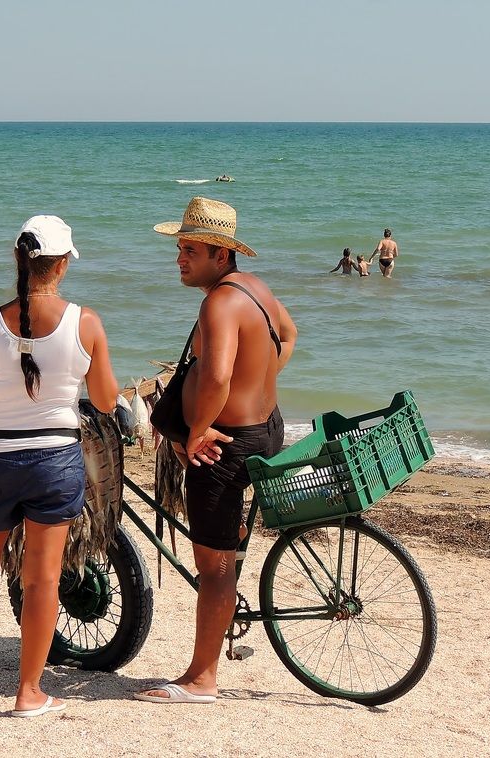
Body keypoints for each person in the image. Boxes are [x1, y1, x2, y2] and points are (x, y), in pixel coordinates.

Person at [0, 215, 118, 717]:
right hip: (54, 462)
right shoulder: (86, 323)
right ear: (62, 265)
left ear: (19, 260)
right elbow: (103, 397)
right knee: (42, 581)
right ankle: (28, 692)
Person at [136, 197, 296, 704]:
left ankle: (202, 678)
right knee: (223, 549)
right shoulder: (256, 289)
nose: (179, 258)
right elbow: (288, 336)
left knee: (214, 566)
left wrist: (198, 428)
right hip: (265, 427)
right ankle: (234, 538)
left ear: (220, 255)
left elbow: (219, 375)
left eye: (189, 250)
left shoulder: (219, 302)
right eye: (179, 248)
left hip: (225, 447)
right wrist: (261, 381)